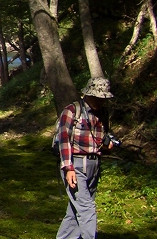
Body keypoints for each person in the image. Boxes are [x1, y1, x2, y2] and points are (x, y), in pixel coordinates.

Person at [56, 77, 116, 239]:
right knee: (87, 208)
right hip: (75, 164)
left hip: (94, 164)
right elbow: (64, 140)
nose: (100, 101)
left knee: (76, 210)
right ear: (88, 94)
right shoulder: (71, 111)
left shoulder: (103, 113)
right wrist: (68, 168)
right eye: (97, 97)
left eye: (103, 98)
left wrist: (107, 146)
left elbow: (100, 139)